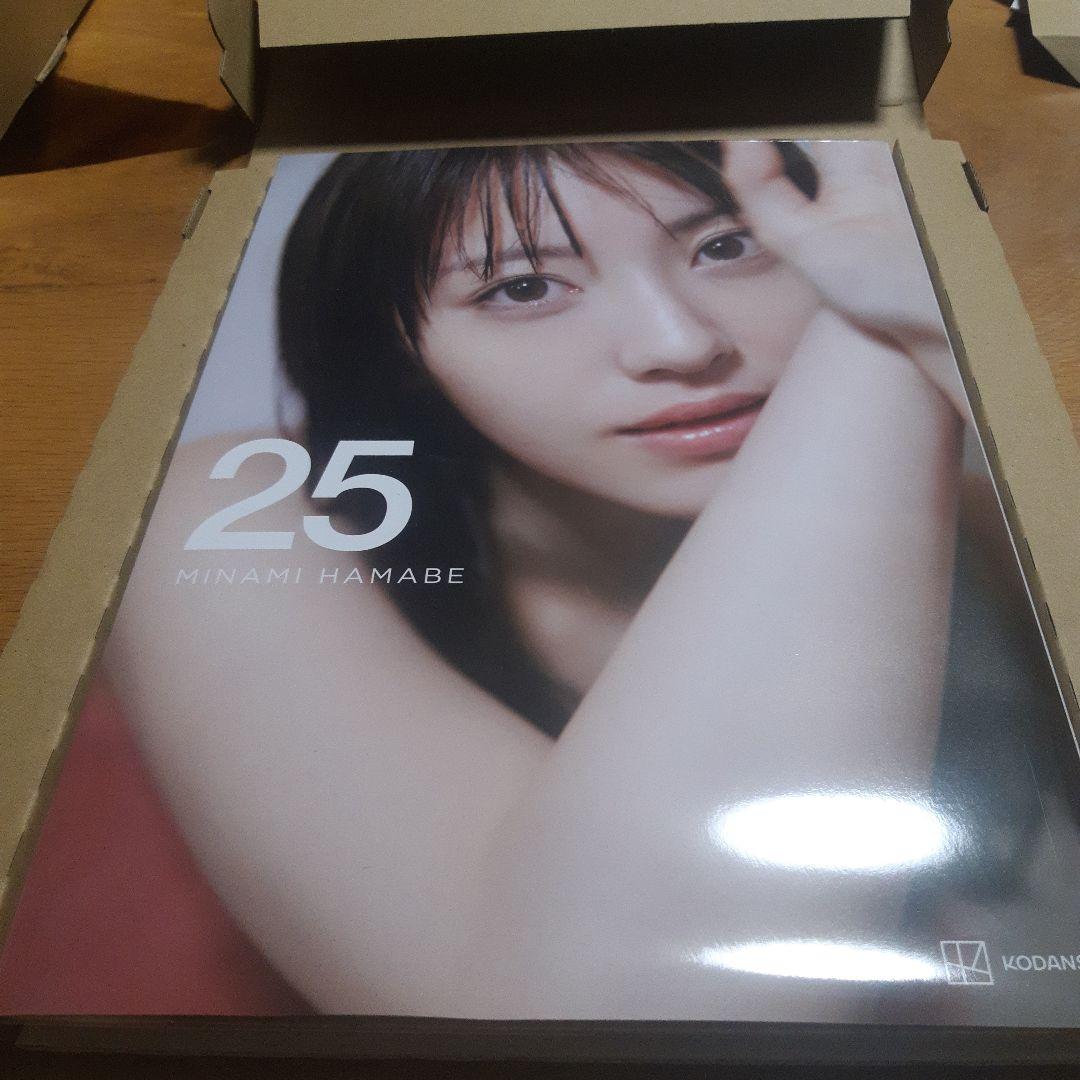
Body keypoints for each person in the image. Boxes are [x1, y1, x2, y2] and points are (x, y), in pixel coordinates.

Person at [98, 139, 1057, 1021]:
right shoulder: (233, 510)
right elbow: (623, 1021)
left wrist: (926, 304)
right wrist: (886, 321)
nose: (679, 344)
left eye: (727, 246)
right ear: (402, 353)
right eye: (522, 289)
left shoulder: (967, 537)